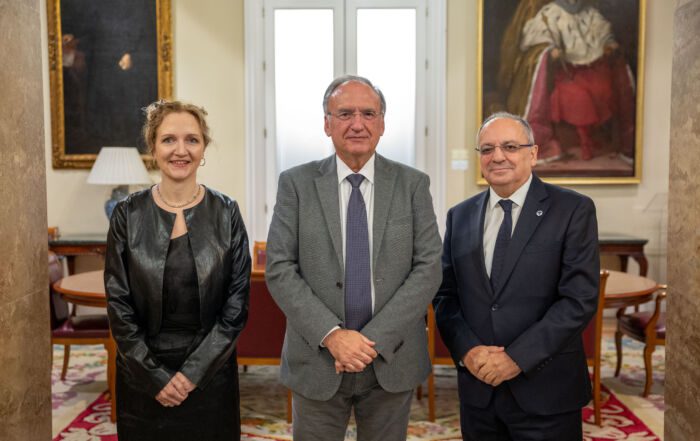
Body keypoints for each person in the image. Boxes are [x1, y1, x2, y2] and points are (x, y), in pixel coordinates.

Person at [265, 75, 442, 441]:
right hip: (318, 357)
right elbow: (280, 268)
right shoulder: (296, 184)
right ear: (327, 123)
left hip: (391, 356)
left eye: (368, 113)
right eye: (345, 114)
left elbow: (428, 268)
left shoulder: (413, 184)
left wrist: (371, 340)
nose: (357, 124)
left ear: (382, 123)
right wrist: (333, 336)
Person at [433, 112, 599, 440]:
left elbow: (578, 300)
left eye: (510, 146)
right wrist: (468, 351)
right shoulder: (460, 216)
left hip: (545, 391)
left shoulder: (572, 210)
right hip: (479, 391)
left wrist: (516, 358)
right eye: (487, 149)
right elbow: (446, 297)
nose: (497, 156)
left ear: (533, 154)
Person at [104, 100, 250, 440]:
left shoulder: (227, 212)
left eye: (192, 140)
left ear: (203, 149)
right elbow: (118, 306)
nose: (180, 150)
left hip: (211, 374)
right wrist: (155, 377)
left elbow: (236, 306)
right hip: (141, 376)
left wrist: (192, 374)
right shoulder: (127, 214)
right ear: (153, 147)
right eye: (169, 139)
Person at [498, 0, 635, 163]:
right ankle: (584, 141)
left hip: (589, 69)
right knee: (578, 95)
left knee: (603, 88)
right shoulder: (550, 13)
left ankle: (593, 137)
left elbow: (603, 34)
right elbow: (539, 40)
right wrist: (551, 50)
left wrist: (608, 44)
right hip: (564, 73)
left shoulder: (590, 14)